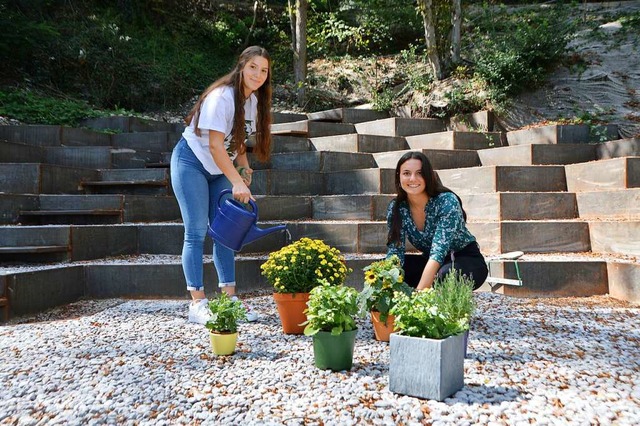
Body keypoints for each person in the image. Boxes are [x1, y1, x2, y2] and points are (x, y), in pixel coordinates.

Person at [170, 46, 273, 324]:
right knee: (195, 231)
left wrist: (243, 164)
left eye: (263, 70)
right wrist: (237, 181)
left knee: (225, 232)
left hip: (218, 169)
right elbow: (215, 145)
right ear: (241, 66)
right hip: (191, 162)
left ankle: (230, 300)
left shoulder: (250, 101)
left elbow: (237, 138)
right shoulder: (221, 97)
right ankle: (198, 303)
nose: (258, 74)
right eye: (253, 67)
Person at [386, 151, 488, 291]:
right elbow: (395, 253)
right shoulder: (397, 208)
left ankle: (439, 306)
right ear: (399, 177)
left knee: (445, 276)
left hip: (464, 260)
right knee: (383, 271)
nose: (413, 178)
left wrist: (419, 296)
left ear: (428, 176)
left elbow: (438, 252)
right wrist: (385, 284)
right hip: (430, 261)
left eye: (420, 173)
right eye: (406, 173)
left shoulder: (446, 201)